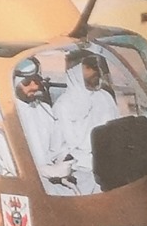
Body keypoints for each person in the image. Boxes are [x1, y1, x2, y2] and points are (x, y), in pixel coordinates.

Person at [52, 48, 121, 194]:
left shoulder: (105, 97)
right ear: (75, 72)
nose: (96, 71)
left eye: (96, 66)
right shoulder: (63, 105)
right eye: (89, 67)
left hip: (111, 165)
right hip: (81, 173)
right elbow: (60, 148)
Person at [12, 58, 75, 194]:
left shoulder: (44, 109)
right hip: (24, 182)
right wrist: (46, 171)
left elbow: (58, 145)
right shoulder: (4, 116)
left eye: (36, 81)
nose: (34, 87)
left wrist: (64, 159)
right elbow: (9, 166)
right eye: (27, 82)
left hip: (53, 175)